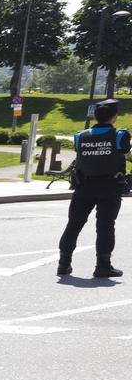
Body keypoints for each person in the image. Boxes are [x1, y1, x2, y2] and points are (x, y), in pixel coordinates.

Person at [57, 97, 127, 278]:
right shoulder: (120, 136)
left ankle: (63, 264)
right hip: (109, 187)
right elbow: (127, 154)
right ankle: (103, 266)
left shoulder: (81, 136)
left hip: (83, 187)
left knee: (73, 224)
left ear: (95, 116)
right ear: (115, 116)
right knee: (105, 226)